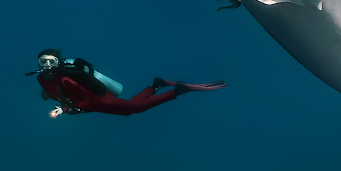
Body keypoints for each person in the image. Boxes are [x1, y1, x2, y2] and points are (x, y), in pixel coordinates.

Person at [31, 49, 226, 117]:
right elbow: (50, 91)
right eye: (43, 62)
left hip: (101, 100)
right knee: (128, 112)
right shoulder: (41, 78)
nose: (47, 65)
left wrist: (64, 111)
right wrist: (48, 96)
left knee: (136, 108)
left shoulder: (65, 79)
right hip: (92, 106)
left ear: (58, 62)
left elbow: (88, 101)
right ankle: (156, 85)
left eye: (52, 61)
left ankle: (178, 90)